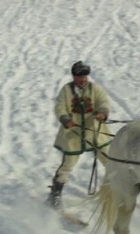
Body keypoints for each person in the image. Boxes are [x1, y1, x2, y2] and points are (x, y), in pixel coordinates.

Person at [48, 61, 112, 208]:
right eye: (79, 77)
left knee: (110, 161)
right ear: (74, 76)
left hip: (95, 132)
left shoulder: (94, 89)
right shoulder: (66, 90)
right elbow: (60, 107)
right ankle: (55, 195)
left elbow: (104, 102)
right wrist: (66, 119)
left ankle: (113, 190)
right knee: (67, 165)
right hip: (73, 135)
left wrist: (103, 112)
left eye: (85, 76)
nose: (83, 79)